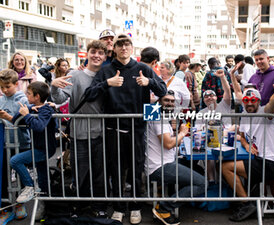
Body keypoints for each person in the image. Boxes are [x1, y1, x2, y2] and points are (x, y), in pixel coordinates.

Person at [83, 34, 167, 224]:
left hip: (137, 129)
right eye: (120, 45)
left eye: (126, 44)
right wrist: (108, 83)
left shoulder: (143, 68)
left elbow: (162, 90)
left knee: (137, 170)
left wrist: (149, 82)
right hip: (113, 129)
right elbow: (89, 95)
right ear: (115, 49)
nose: (123, 48)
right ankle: (119, 207)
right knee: (116, 170)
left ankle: (136, 206)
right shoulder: (106, 71)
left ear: (132, 48)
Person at [51, 40, 108, 217]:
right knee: (80, 172)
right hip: (79, 132)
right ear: (87, 53)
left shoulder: (108, 75)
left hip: (103, 132)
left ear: (105, 56)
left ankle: (99, 208)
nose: (97, 55)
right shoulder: (75, 75)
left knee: (100, 173)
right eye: (93, 52)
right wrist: (54, 87)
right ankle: (79, 207)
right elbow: (60, 100)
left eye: (100, 53)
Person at [222, 86, 274, 222]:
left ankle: (247, 204)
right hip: (259, 160)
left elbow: (272, 104)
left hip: (271, 163)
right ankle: (247, 200)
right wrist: (246, 144)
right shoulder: (244, 116)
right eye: (247, 100)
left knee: (226, 167)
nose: (250, 103)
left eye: (253, 100)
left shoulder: (265, 112)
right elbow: (241, 136)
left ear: (258, 101)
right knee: (224, 164)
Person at [147, 91, 205, 225]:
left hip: (167, 161)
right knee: (202, 183)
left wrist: (178, 134)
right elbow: (168, 144)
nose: (170, 103)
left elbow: (171, 142)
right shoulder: (157, 117)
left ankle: (174, 203)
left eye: (172, 101)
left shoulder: (163, 116)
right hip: (159, 166)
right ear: (159, 101)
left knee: (197, 168)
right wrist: (182, 133)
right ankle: (164, 208)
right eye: (166, 100)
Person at [1, 82, 56, 205]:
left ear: (37, 97)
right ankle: (45, 203)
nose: (26, 95)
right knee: (43, 177)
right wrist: (28, 110)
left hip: (44, 148)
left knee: (15, 161)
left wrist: (27, 115)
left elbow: (39, 126)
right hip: (37, 146)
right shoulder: (33, 108)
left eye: (29, 93)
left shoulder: (46, 109)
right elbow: (16, 120)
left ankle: (30, 186)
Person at [0, 70, 31, 224]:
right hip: (4, 144)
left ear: (16, 84)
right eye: (2, 87)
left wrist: (8, 118)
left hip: (22, 144)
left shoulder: (22, 99)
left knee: (20, 177)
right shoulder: (1, 100)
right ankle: (5, 208)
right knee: (4, 177)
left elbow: (25, 123)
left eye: (8, 86)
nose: (5, 90)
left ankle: (20, 204)